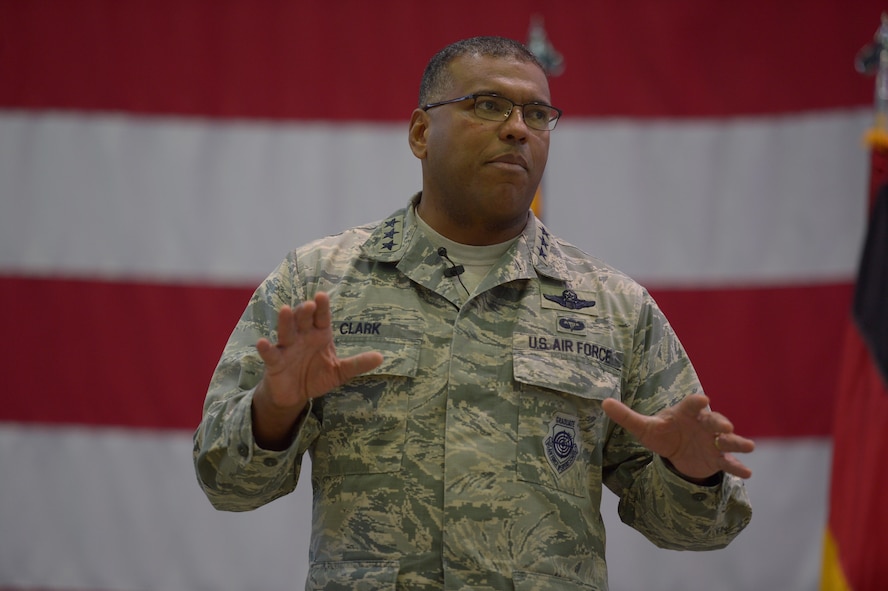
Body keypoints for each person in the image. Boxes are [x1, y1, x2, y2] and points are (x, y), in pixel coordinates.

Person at [193, 36, 754, 591]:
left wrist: (693, 471)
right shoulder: (320, 283)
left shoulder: (612, 305)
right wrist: (275, 410)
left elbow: (698, 532)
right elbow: (227, 484)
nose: (517, 128)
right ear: (420, 133)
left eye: (537, 113)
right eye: (488, 105)